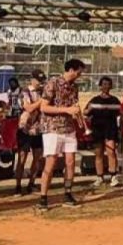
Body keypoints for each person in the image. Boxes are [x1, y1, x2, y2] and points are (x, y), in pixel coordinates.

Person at [38, 59, 85, 210]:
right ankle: (43, 197)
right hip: (53, 128)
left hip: (69, 128)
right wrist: (66, 110)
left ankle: (68, 193)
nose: (80, 74)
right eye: (78, 71)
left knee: (70, 162)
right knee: (51, 163)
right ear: (71, 69)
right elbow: (44, 107)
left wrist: (77, 114)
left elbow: (73, 106)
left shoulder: (74, 87)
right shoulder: (53, 83)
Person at [85, 76, 122, 189]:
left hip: (110, 129)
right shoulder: (94, 100)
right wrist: (89, 109)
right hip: (97, 130)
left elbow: (121, 114)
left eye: (108, 84)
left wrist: (121, 130)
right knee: (99, 153)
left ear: (111, 86)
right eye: (104, 84)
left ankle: (113, 176)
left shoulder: (115, 100)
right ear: (100, 86)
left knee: (111, 152)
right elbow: (85, 112)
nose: (106, 86)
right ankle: (99, 177)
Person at [15, 69, 46, 196]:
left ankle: (31, 183)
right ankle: (17, 185)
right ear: (32, 80)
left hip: (39, 129)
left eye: (42, 81)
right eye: (38, 81)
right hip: (25, 129)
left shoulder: (43, 92)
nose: (40, 83)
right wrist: (43, 100)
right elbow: (29, 107)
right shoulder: (24, 92)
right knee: (22, 158)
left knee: (37, 157)